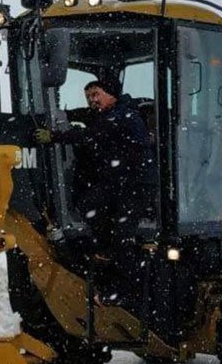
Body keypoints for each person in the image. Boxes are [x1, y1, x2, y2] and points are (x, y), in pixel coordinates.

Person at [35, 77, 156, 305]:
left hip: (138, 185)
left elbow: (91, 133)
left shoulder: (122, 115)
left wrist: (54, 137)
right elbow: (87, 115)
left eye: (96, 95)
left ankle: (124, 292)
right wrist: (66, 115)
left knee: (122, 236)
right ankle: (105, 247)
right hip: (119, 183)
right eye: (89, 96)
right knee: (87, 203)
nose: (92, 100)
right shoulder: (107, 114)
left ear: (110, 93)